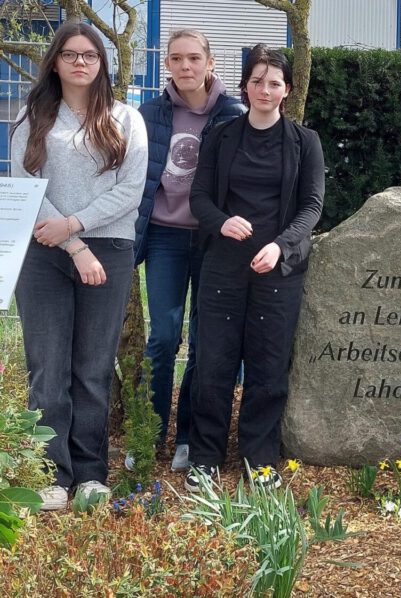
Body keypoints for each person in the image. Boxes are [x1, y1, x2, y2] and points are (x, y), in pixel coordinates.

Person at [11, 21, 148, 510]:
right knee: (48, 369)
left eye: (90, 55)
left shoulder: (126, 120)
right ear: (55, 61)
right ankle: (50, 475)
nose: (80, 63)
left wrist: (75, 226)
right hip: (45, 257)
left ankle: (91, 475)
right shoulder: (32, 120)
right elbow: (27, 186)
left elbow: (130, 192)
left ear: (102, 64)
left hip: (107, 249)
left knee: (92, 368)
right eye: (70, 54)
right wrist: (72, 243)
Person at [185, 44, 324, 491]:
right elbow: (199, 199)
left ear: (287, 90)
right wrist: (223, 222)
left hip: (277, 272)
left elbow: (312, 206)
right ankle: (205, 457)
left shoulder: (306, 143)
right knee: (214, 362)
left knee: (267, 366)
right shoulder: (221, 136)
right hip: (223, 268)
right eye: (257, 81)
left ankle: (259, 459)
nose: (265, 89)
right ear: (245, 86)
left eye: (274, 83)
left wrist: (282, 247)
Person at [133, 29, 245, 472]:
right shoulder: (150, 114)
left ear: (210, 62)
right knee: (162, 336)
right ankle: (151, 432)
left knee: (204, 340)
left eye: (194, 57)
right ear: (168, 65)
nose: (185, 66)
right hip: (164, 236)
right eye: (176, 58)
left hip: (213, 240)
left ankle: (188, 438)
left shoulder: (232, 113)